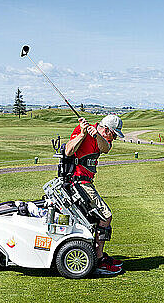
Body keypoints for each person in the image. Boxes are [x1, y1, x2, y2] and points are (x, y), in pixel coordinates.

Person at [64, 114, 125, 275]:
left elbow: (106, 148)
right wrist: (83, 134)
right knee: (105, 216)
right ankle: (98, 261)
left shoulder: (101, 138)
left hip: (87, 182)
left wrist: (96, 134)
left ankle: (98, 256)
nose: (114, 138)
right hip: (78, 182)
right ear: (106, 129)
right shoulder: (82, 130)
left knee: (97, 218)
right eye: (113, 134)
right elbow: (69, 151)